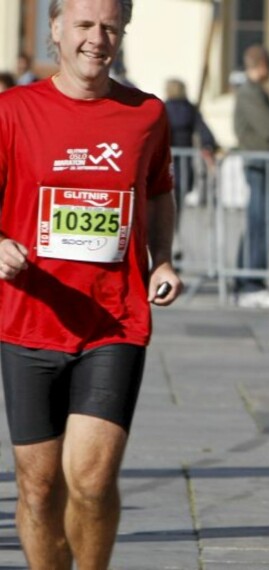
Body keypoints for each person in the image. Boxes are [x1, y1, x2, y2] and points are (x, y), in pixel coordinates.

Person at [0, 0, 182, 567]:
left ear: (123, 32)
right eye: (83, 25)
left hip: (115, 319)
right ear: (55, 29)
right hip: (28, 319)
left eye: (109, 27)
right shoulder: (11, 111)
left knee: (93, 480)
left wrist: (163, 260)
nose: (96, 39)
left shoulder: (146, 114)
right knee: (39, 487)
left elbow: (158, 192)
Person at [233, 44, 269, 309]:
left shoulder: (256, 92)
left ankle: (247, 280)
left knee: (261, 223)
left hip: (263, 165)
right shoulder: (249, 93)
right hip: (256, 164)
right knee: (262, 224)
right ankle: (250, 284)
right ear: (262, 66)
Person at [164, 78, 217, 247]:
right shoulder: (191, 110)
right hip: (185, 167)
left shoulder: (163, 109)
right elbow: (204, 131)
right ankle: (175, 243)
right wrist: (210, 146)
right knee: (177, 209)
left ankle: (168, 245)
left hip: (166, 166)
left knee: (163, 211)